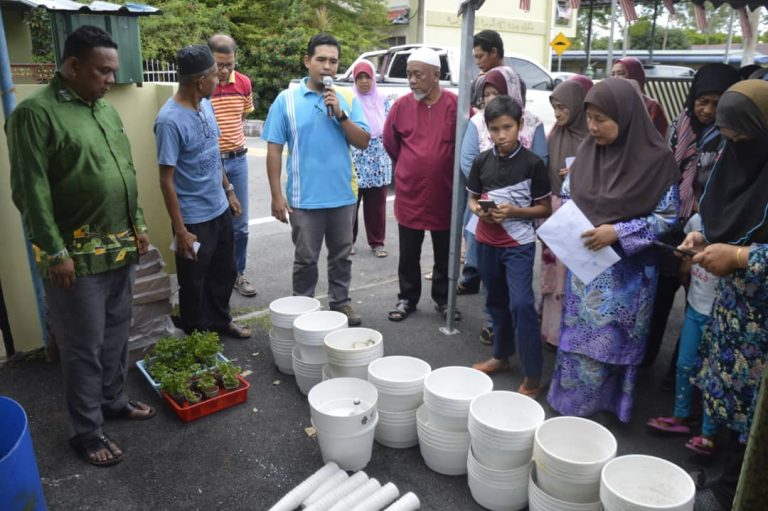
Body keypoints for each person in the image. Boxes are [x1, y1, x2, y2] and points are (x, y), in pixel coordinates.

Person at [7, 25, 155, 467]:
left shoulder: (103, 109)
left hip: (120, 248)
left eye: (113, 71)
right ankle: (86, 431)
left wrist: (139, 223)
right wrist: (54, 253)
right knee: (82, 348)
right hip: (73, 259)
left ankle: (112, 400)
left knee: (115, 336)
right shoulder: (36, 114)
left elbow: (124, 169)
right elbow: (30, 191)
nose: (110, 79)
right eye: (102, 71)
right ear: (72, 66)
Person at [546, 78, 680, 423]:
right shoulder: (589, 152)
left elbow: (667, 217)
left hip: (628, 277)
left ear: (627, 116)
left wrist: (617, 231)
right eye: (589, 118)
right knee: (578, 342)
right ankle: (571, 406)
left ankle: (606, 412)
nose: (593, 127)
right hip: (586, 269)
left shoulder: (657, 161)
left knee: (613, 346)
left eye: (602, 119)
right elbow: (568, 192)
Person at [682, 79, 768, 509]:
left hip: (764, 322)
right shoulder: (734, 159)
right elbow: (725, 217)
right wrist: (705, 241)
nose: (736, 148)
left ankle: (737, 486)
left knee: (758, 414)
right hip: (733, 313)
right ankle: (728, 475)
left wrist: (739, 257)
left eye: (744, 139)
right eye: (729, 138)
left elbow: (744, 249)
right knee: (734, 403)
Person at [262, 34, 370, 326]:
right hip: (304, 198)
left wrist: (341, 115)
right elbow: (273, 149)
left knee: (341, 257)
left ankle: (341, 302)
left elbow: (363, 141)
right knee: (306, 259)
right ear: (307, 61)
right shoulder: (286, 100)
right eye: (321, 59)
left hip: (343, 196)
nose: (327, 66)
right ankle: (303, 306)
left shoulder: (346, 98)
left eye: (333, 61)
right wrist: (276, 195)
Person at [643, 63, 740, 368]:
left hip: (709, 229)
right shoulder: (679, 124)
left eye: (717, 102)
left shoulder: (732, 135)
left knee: (697, 307)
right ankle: (646, 359)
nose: (708, 110)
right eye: (703, 101)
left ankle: (679, 372)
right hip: (672, 222)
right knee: (659, 298)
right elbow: (665, 169)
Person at [155, 45, 250, 339]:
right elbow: (166, 180)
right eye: (214, 73)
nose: (220, 78)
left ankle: (221, 321)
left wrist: (230, 191)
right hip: (193, 219)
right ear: (199, 80)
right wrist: (181, 231)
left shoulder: (205, 105)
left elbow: (214, 153)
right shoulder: (169, 121)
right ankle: (198, 337)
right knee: (194, 282)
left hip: (219, 207)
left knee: (224, 272)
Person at [467, 96, 551, 397]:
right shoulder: (481, 161)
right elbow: (473, 198)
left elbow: (544, 209)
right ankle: (501, 357)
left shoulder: (533, 164)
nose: (501, 135)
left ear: (520, 125)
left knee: (522, 305)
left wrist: (513, 211)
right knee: (495, 302)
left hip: (519, 245)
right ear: (487, 130)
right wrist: (478, 210)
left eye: (507, 127)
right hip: (486, 241)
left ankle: (533, 375)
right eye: (495, 129)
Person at [459, 66, 548, 343]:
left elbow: (541, 162)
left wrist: (514, 190)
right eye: (486, 94)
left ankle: (518, 333)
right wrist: (486, 197)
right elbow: (468, 162)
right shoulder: (477, 123)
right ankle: (493, 325)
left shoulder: (533, 123)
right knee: (490, 276)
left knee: (519, 287)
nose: (490, 99)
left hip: (521, 214)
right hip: (486, 207)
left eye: (496, 92)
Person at [383, 47, 458, 322]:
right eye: (409, 75)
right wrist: (410, 165)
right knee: (409, 253)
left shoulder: (456, 105)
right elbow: (391, 143)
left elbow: (473, 142)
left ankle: (444, 300)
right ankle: (407, 298)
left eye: (418, 75)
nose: (412, 81)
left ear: (436, 75)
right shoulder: (401, 106)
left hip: (445, 194)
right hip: (410, 193)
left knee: (444, 253)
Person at [646, 176, 719, 456]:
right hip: (695, 308)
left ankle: (709, 434)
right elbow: (686, 265)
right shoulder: (696, 224)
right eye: (702, 200)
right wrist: (684, 265)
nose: (705, 207)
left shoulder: (735, 233)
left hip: (718, 316)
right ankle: (680, 416)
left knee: (713, 374)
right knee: (685, 365)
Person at [540, 79, 589, 349]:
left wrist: (579, 173)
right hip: (553, 209)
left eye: (563, 108)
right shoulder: (555, 132)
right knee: (551, 272)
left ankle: (568, 335)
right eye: (555, 108)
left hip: (579, 215)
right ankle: (550, 332)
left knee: (570, 276)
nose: (558, 114)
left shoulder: (591, 137)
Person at [208, 34, 258, 297]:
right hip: (211, 163)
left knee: (240, 224)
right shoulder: (203, 85)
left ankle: (238, 273)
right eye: (219, 64)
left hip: (238, 160)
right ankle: (216, 274)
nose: (225, 70)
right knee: (211, 223)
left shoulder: (243, 83)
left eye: (229, 64)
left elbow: (241, 115)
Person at [350, 60, 392, 259]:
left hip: (378, 157)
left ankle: (377, 242)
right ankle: (348, 241)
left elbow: (392, 126)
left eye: (367, 77)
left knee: (376, 205)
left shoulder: (384, 99)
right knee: (351, 201)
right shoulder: (350, 100)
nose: (364, 81)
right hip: (356, 156)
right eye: (360, 77)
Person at [611, 56, 669, 137]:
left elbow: (660, 139)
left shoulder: (651, 106)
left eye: (620, 73)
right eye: (612, 74)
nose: (615, 78)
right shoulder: (609, 103)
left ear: (635, 76)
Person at [471, 30, 505, 108]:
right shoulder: (478, 83)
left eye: (480, 56)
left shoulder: (515, 83)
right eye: (486, 94)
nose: (476, 62)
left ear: (493, 52)